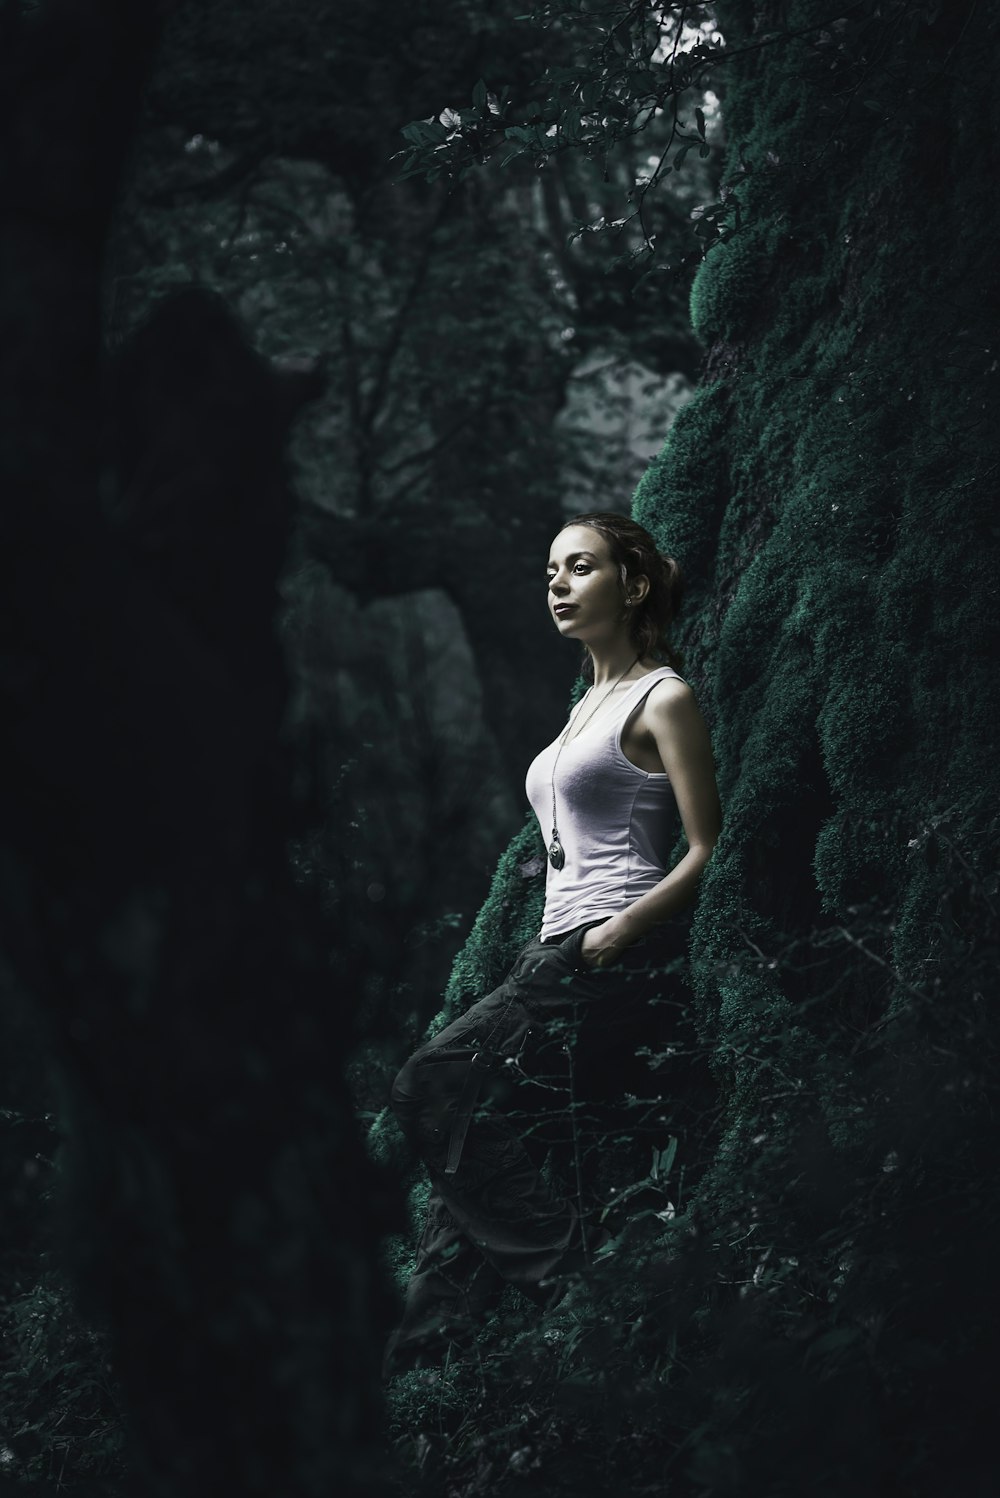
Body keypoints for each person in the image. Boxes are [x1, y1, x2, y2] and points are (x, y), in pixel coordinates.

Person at [384, 511, 721, 1377]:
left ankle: (573, 1290)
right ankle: (428, 1357)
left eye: (580, 568)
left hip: (604, 956)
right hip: (550, 953)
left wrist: (619, 930)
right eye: (550, 572)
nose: (558, 584)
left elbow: (709, 848)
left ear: (632, 585)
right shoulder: (582, 708)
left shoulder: (663, 696)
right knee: (463, 1135)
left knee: (429, 1084)